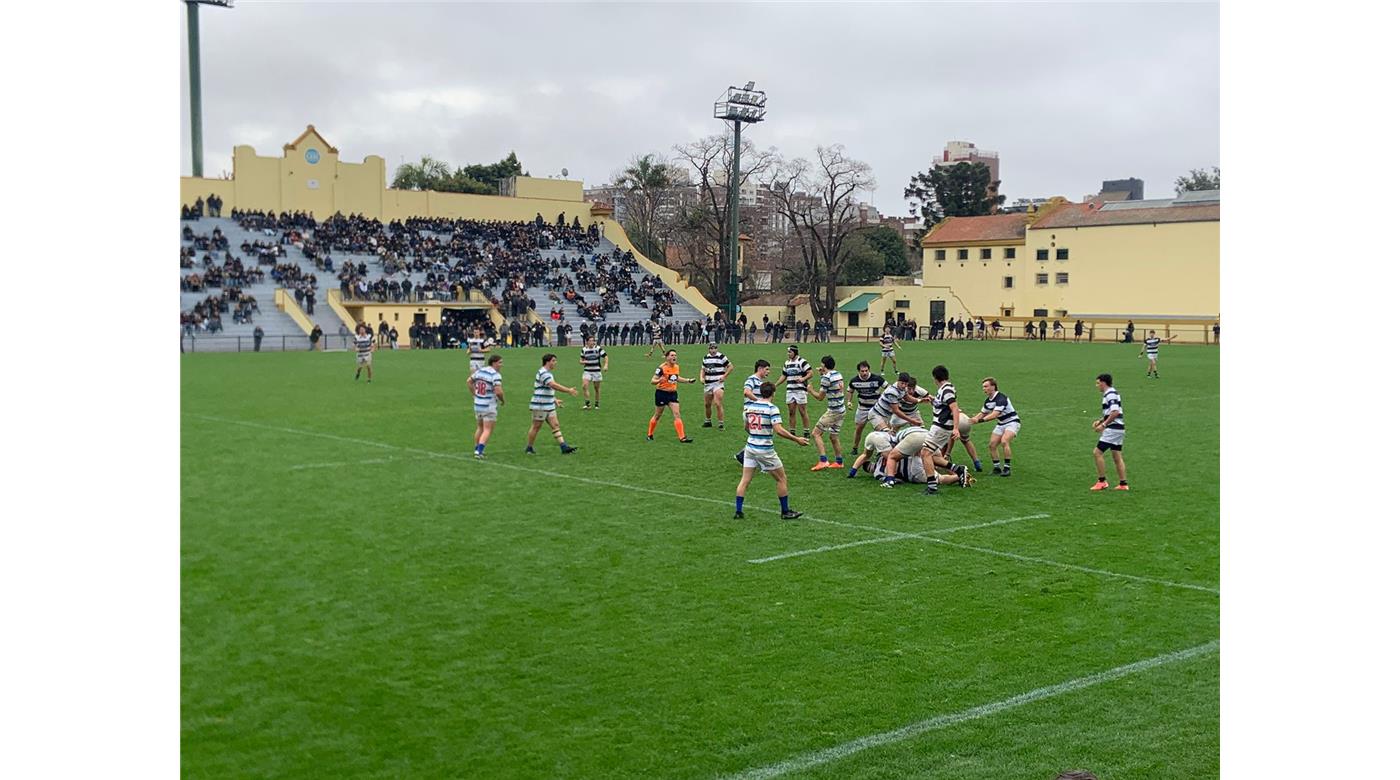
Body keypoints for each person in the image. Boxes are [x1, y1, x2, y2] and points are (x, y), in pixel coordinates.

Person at [734, 381, 808, 520]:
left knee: (745, 480)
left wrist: (755, 433)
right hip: (765, 450)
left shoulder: (749, 407)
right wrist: (796, 439)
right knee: (781, 479)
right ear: (773, 393)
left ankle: (738, 512)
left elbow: (746, 427)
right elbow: (779, 430)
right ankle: (785, 511)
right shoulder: (771, 408)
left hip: (750, 447)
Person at [929, 364, 980, 472]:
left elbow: (954, 408)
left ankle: (947, 466)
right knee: (966, 440)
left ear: (935, 378)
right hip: (964, 420)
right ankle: (977, 463)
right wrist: (934, 401)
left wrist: (956, 428)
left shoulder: (945, 390)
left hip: (953, 421)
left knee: (931, 448)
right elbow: (946, 404)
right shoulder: (949, 387)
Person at [526, 354, 579, 455]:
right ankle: (529, 447)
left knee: (555, 425)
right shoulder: (544, 373)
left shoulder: (547, 373)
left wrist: (554, 399)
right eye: (554, 361)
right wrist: (568, 390)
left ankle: (564, 447)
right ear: (548, 362)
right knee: (536, 426)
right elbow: (552, 385)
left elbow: (545, 389)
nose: (555, 363)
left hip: (549, 404)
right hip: (540, 404)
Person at [968, 377, 1020, 477]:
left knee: (1004, 441)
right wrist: (971, 420)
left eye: (986, 386)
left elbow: (995, 414)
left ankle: (1007, 468)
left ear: (993, 386)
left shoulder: (1001, 398)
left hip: (1012, 422)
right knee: (992, 445)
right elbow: (982, 413)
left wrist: (979, 420)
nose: (984, 389)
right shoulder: (988, 401)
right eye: (983, 387)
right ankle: (997, 468)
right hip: (1001, 423)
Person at [807, 355, 847, 471]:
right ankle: (839, 462)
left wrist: (810, 391)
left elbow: (820, 397)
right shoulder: (837, 374)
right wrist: (823, 373)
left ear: (824, 365)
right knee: (833, 436)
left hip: (833, 411)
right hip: (841, 410)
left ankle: (823, 461)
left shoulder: (827, 378)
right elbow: (830, 382)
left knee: (816, 433)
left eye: (821, 365)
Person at [647, 349, 696, 443]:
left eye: (675, 355)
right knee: (657, 415)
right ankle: (650, 434)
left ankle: (682, 437)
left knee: (677, 414)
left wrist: (688, 380)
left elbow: (676, 378)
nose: (674, 357)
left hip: (672, 394)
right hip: (661, 393)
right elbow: (652, 381)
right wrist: (659, 381)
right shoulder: (661, 368)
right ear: (667, 357)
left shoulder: (676, 367)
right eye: (672, 355)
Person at [1090, 373, 1128, 490]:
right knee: (1117, 456)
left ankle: (1102, 481)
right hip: (1119, 429)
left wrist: (1103, 425)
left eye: (1098, 383)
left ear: (1103, 383)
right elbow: (1112, 412)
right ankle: (1123, 484)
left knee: (1097, 453)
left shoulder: (1110, 394)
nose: (1097, 386)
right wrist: (1101, 420)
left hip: (1113, 429)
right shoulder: (1113, 392)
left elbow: (1115, 412)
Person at [845, 360, 886, 455]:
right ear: (858, 371)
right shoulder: (854, 381)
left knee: (880, 429)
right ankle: (855, 448)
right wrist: (849, 401)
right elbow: (850, 391)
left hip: (876, 409)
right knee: (858, 428)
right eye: (862, 371)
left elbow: (888, 387)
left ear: (869, 370)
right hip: (862, 408)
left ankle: (880, 450)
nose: (864, 373)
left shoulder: (877, 379)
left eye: (866, 370)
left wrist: (883, 397)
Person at [470, 354, 505, 458]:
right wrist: (502, 400)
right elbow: (498, 391)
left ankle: (476, 448)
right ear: (494, 363)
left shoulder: (480, 371)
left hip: (478, 404)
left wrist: (474, 394)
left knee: (480, 427)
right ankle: (479, 451)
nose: (501, 365)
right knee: (487, 429)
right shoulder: (495, 375)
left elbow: (469, 381)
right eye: (500, 362)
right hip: (488, 405)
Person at [775, 345, 813, 437]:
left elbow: (811, 373)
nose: (788, 354)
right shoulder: (787, 363)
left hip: (800, 390)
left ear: (795, 352)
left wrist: (803, 379)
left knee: (802, 411)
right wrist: (775, 385)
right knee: (791, 411)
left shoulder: (802, 361)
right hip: (790, 390)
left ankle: (806, 431)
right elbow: (784, 376)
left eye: (790, 352)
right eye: (788, 352)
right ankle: (792, 431)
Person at [700, 342, 732, 428]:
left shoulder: (721, 357)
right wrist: (701, 378)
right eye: (711, 348)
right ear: (709, 349)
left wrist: (724, 376)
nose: (713, 350)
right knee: (707, 404)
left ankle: (721, 423)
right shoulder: (705, 358)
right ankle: (708, 421)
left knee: (717, 403)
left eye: (715, 348)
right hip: (708, 383)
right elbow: (703, 369)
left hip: (718, 384)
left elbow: (730, 366)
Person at [577, 335, 608, 410]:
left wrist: (606, 365)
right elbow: (581, 360)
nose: (592, 342)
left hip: (596, 371)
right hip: (587, 371)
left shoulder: (598, 348)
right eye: (590, 341)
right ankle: (588, 404)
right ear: (587, 342)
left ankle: (597, 404)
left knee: (596, 388)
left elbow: (606, 356)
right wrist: (583, 362)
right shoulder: (584, 349)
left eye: (593, 341)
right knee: (584, 386)